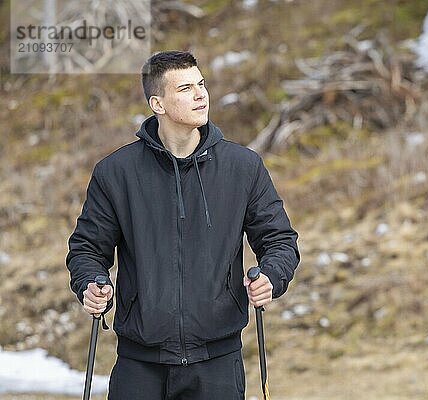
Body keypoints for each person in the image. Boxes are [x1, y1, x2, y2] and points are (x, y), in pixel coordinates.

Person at [66, 50, 300, 399]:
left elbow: (279, 240)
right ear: (157, 104)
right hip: (139, 365)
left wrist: (271, 276)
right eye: (186, 88)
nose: (201, 95)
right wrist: (90, 283)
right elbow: (87, 249)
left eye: (202, 84)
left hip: (217, 363)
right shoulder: (116, 173)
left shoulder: (243, 167)